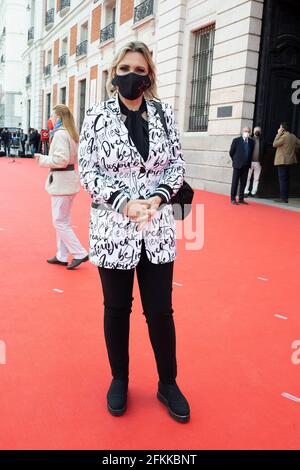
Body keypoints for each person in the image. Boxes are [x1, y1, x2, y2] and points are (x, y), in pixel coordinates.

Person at [78, 41, 190, 423]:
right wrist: (123, 201)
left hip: (157, 230)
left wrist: (159, 197)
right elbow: (88, 172)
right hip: (113, 228)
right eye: (125, 68)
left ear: (150, 77)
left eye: (140, 71)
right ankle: (120, 379)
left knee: (160, 311)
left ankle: (168, 383)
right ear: (114, 73)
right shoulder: (96, 116)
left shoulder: (163, 115)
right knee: (116, 309)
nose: (131, 76)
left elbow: (177, 165)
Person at [35, 104, 88, 269]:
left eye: (52, 116)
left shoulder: (60, 135)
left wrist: (42, 159)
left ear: (58, 118)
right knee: (63, 220)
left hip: (62, 181)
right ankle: (62, 255)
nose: (50, 119)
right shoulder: (71, 134)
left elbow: (61, 160)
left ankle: (79, 253)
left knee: (59, 221)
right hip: (69, 180)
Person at [273, 122, 300, 203]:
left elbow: (274, 144)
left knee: (282, 180)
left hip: (282, 161)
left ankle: (283, 198)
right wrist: (293, 147)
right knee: (286, 179)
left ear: (282, 129)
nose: (279, 129)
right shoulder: (293, 136)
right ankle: (285, 197)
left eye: (280, 128)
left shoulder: (284, 136)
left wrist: (278, 134)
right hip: (290, 160)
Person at [229, 127, 254, 205]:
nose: (247, 132)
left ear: (250, 133)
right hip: (237, 164)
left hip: (246, 165)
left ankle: (241, 198)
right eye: (245, 131)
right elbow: (231, 152)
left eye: (248, 131)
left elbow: (251, 153)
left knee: (243, 183)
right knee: (235, 182)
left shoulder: (251, 142)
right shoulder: (236, 140)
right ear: (242, 132)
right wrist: (235, 160)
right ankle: (233, 199)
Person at [244, 126, 263, 197]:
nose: (257, 132)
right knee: (247, 177)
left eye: (258, 130)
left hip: (258, 162)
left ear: (260, 132)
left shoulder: (263, 141)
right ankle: (245, 191)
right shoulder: (249, 140)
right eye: (255, 130)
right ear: (253, 132)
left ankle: (253, 192)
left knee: (256, 178)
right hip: (249, 161)